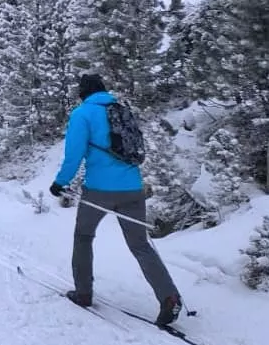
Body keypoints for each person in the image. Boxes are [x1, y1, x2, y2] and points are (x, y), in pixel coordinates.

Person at [50, 73, 183, 327]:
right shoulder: (121, 109)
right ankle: (169, 297)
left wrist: (60, 182)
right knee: (140, 246)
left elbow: (74, 154)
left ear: (83, 92)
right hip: (133, 187)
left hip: (99, 189)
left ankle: (83, 293)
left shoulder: (82, 114)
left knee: (83, 237)